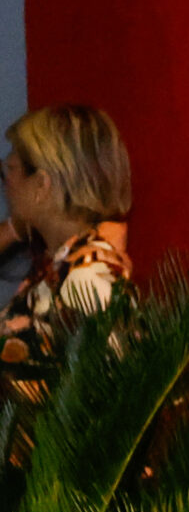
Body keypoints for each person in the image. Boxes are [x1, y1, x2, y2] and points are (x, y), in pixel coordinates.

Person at [0, 104, 134, 397]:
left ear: (41, 184)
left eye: (9, 170)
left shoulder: (87, 275)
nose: (6, 184)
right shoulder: (59, 264)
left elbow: (106, 403)